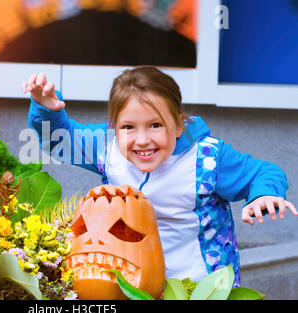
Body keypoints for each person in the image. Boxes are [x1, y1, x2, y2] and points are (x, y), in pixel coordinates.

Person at [21, 66, 298, 286]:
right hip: (130, 280)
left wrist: (264, 193)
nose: (142, 140)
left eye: (155, 125)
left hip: (198, 285)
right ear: (115, 128)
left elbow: (263, 171)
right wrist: (46, 109)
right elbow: (61, 139)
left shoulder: (207, 159)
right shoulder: (107, 146)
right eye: (128, 127)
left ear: (178, 125)